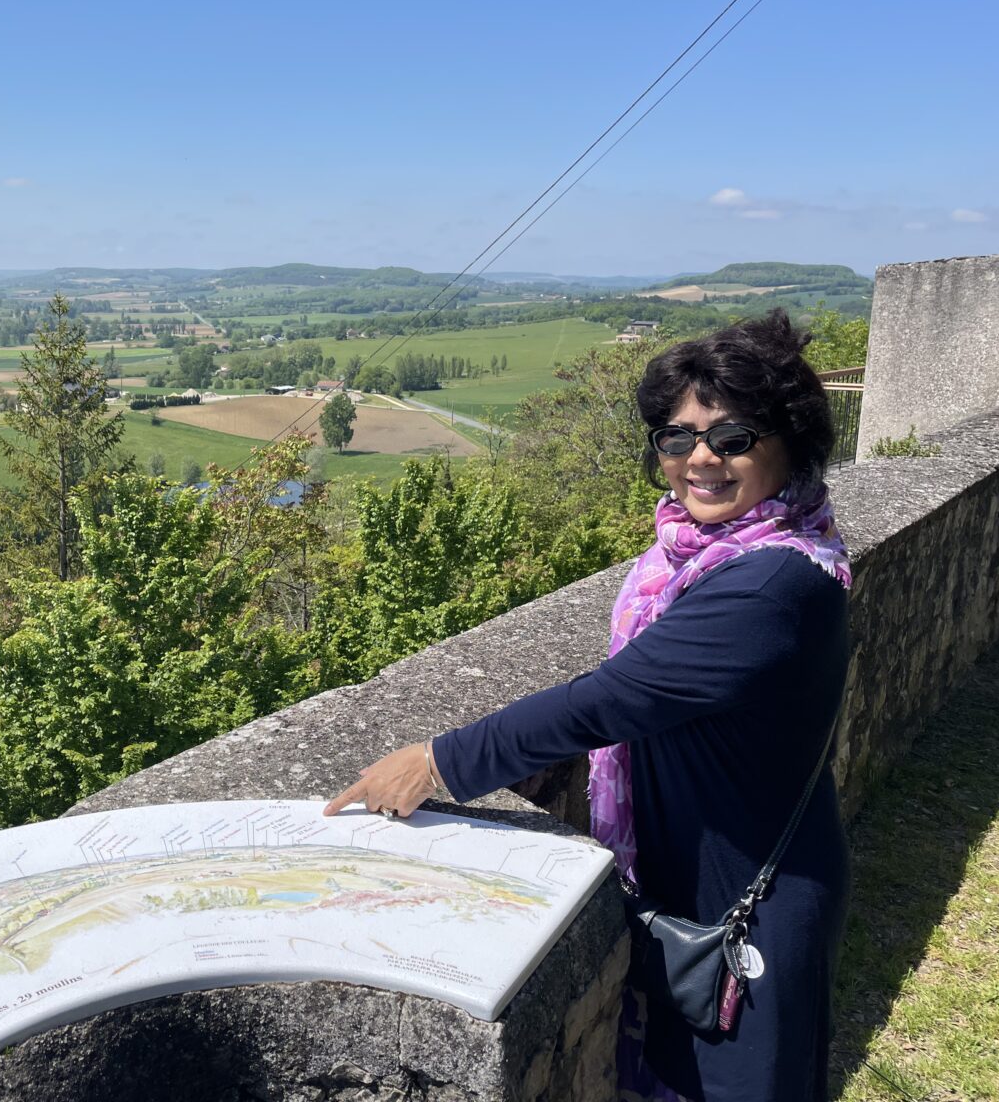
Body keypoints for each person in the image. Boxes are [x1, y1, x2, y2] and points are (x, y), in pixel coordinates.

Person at [325, 310, 852, 1102]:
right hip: (707, 876)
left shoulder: (772, 585)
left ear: (791, 443)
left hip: (750, 903)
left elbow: (609, 701)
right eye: (677, 437)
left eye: (733, 437)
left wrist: (435, 762)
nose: (700, 458)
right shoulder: (714, 554)